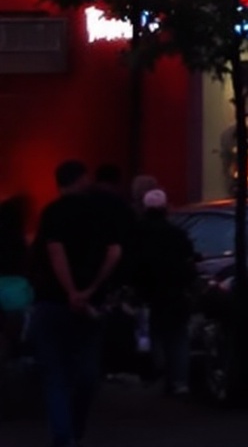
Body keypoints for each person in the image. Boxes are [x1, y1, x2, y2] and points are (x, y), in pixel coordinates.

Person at [30, 160, 122, 447]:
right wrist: (90, 289)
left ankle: (62, 433)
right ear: (81, 179)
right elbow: (114, 252)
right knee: (86, 371)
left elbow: (55, 251)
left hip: (52, 302)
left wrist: (69, 291)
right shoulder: (100, 213)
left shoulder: (52, 213)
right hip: (91, 305)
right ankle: (75, 427)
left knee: (54, 372)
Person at [129, 188, 195, 398]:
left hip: (147, 293)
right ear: (165, 207)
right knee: (177, 337)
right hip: (175, 292)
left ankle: (157, 373)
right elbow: (189, 261)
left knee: (152, 334)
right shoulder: (177, 234)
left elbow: (131, 264)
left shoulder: (137, 233)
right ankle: (179, 381)